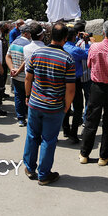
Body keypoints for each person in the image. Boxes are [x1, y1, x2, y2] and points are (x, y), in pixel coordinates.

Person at [23, 22, 76, 185]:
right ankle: (44, 174)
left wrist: (27, 96)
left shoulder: (37, 53)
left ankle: (30, 167)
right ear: (65, 38)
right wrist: (67, 105)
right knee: (48, 139)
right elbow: (70, 89)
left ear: (50, 35)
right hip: (54, 107)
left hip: (35, 103)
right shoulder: (67, 59)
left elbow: (28, 78)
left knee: (32, 135)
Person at [79, 20, 108, 166]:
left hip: (96, 87)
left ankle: (84, 154)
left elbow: (89, 64)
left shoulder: (94, 47)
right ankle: (103, 156)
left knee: (91, 120)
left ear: (103, 32)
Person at [62, 27, 91, 143]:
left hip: (63, 81)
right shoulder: (76, 50)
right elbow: (88, 54)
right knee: (78, 107)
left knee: (65, 106)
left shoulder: (62, 48)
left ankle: (65, 130)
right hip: (75, 81)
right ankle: (73, 133)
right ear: (74, 37)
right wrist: (87, 42)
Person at [6, 24, 32, 127]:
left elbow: (7, 56)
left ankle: (20, 119)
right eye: (29, 33)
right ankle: (29, 119)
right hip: (25, 77)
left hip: (15, 76)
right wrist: (17, 71)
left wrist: (12, 68)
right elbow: (26, 61)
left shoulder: (13, 43)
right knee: (28, 97)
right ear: (26, 34)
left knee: (18, 97)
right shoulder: (27, 45)